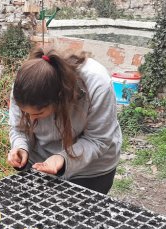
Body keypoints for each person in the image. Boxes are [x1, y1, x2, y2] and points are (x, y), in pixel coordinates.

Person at [7, 48, 122, 194]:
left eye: (39, 113)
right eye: (26, 113)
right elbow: (19, 128)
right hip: (40, 164)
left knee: (84, 215)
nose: (30, 119)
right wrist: (20, 147)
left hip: (90, 170)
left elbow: (98, 139)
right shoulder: (24, 85)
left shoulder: (97, 84)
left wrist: (63, 159)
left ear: (60, 98)